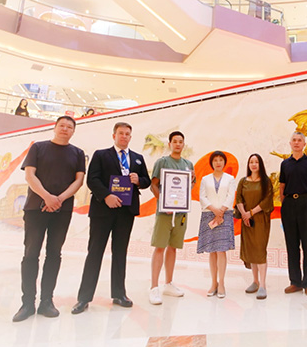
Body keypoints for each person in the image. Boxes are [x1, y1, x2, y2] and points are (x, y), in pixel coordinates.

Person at [72, 122, 150, 314]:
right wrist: (106, 196)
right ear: (114, 135)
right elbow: (92, 179)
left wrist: (138, 180)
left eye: (127, 134)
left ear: (130, 137)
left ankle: (119, 294)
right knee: (95, 252)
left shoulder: (137, 158)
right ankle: (83, 298)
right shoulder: (101, 155)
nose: (124, 136)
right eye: (120, 133)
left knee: (120, 252)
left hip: (126, 212)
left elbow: (146, 181)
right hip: (103, 210)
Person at [12, 116, 85, 322]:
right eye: (62, 125)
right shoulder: (38, 147)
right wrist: (47, 197)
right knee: (30, 254)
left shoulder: (78, 153)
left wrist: (59, 199)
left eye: (69, 127)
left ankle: (46, 301)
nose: (65, 129)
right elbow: (30, 175)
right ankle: (27, 303)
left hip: (62, 210)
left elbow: (79, 181)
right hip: (36, 208)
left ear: (73, 131)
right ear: (55, 127)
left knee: (54, 254)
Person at [148, 131, 195, 305]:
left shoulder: (188, 165)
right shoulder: (162, 162)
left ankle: (168, 283)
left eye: (180, 142)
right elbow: (153, 185)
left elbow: (189, 187)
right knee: (160, 247)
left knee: (173, 247)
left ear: (183, 144)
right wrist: (164, 202)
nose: (177, 144)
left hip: (181, 213)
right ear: (169, 144)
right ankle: (154, 287)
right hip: (164, 213)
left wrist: (191, 181)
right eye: (174, 141)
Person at [278, 131, 307, 297]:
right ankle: (295, 282)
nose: (296, 143)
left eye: (299, 140)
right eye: (294, 140)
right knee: (291, 245)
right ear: (290, 143)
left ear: (304, 144)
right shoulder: (285, 164)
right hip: (289, 205)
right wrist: (285, 205)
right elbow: (282, 187)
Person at [197, 151, 237, 299]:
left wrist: (222, 210)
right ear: (212, 163)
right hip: (209, 215)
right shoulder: (205, 179)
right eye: (215, 160)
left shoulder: (230, 179)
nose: (218, 162)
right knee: (212, 250)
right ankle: (213, 283)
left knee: (221, 250)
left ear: (224, 162)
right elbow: (202, 196)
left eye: (221, 160)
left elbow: (231, 195)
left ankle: (221, 284)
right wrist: (214, 210)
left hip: (225, 215)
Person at [235, 154, 274, 300]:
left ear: (260, 164)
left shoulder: (266, 181)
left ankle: (263, 285)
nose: (253, 164)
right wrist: (244, 214)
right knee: (251, 250)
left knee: (260, 251)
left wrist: (251, 213)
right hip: (247, 221)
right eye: (251, 162)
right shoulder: (243, 181)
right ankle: (255, 281)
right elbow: (239, 198)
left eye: (256, 162)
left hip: (260, 220)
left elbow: (267, 201)